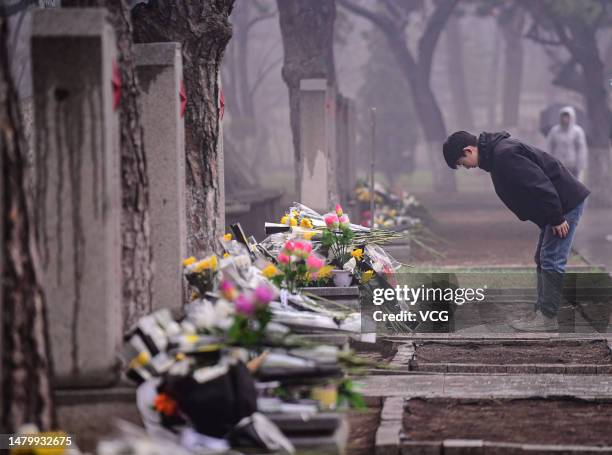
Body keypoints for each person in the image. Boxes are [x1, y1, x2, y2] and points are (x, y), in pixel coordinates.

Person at [442, 131, 590, 332]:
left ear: (468, 150)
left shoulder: (505, 156)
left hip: (564, 205)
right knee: (543, 257)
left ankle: (547, 318)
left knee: (552, 259)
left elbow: (540, 185)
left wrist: (556, 218)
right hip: (557, 207)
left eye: (462, 162)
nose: (466, 167)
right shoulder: (498, 155)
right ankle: (542, 312)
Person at [546, 106, 588, 180]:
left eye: (567, 117)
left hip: (573, 166)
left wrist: (580, 164)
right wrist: (548, 162)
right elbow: (550, 147)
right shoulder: (554, 131)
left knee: (573, 186)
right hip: (558, 164)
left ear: (572, 118)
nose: (565, 119)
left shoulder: (577, 132)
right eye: (563, 117)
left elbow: (581, 149)